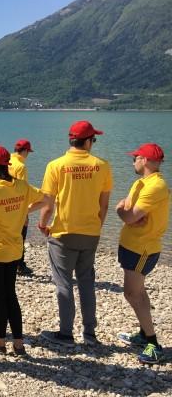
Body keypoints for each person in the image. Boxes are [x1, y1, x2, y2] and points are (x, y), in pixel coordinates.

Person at [38, 120, 112, 347]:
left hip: (63, 233)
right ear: (88, 141)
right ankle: (89, 333)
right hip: (90, 233)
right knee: (86, 282)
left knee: (64, 284)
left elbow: (48, 204)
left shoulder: (55, 165)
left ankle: (66, 334)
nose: (93, 143)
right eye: (94, 140)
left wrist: (42, 224)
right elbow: (104, 205)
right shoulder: (102, 166)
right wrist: (97, 227)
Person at [0, 146, 47, 356]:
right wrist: (24, 210)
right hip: (14, 250)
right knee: (10, 295)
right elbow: (45, 199)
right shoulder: (21, 186)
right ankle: (19, 344)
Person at [116, 143, 169, 364]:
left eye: (135, 158)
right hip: (132, 245)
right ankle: (143, 333)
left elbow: (128, 215)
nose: (133, 162)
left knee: (132, 294)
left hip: (142, 249)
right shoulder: (141, 182)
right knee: (139, 292)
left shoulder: (156, 186)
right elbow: (131, 213)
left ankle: (154, 345)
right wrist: (128, 212)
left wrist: (120, 210)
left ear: (145, 160)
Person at [9, 139, 34, 275]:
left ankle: (8, 262)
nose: (28, 155)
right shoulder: (21, 166)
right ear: (25, 151)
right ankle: (20, 265)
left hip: (3, 204)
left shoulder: (7, 160)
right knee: (20, 236)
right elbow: (22, 190)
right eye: (28, 152)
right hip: (17, 206)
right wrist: (25, 214)